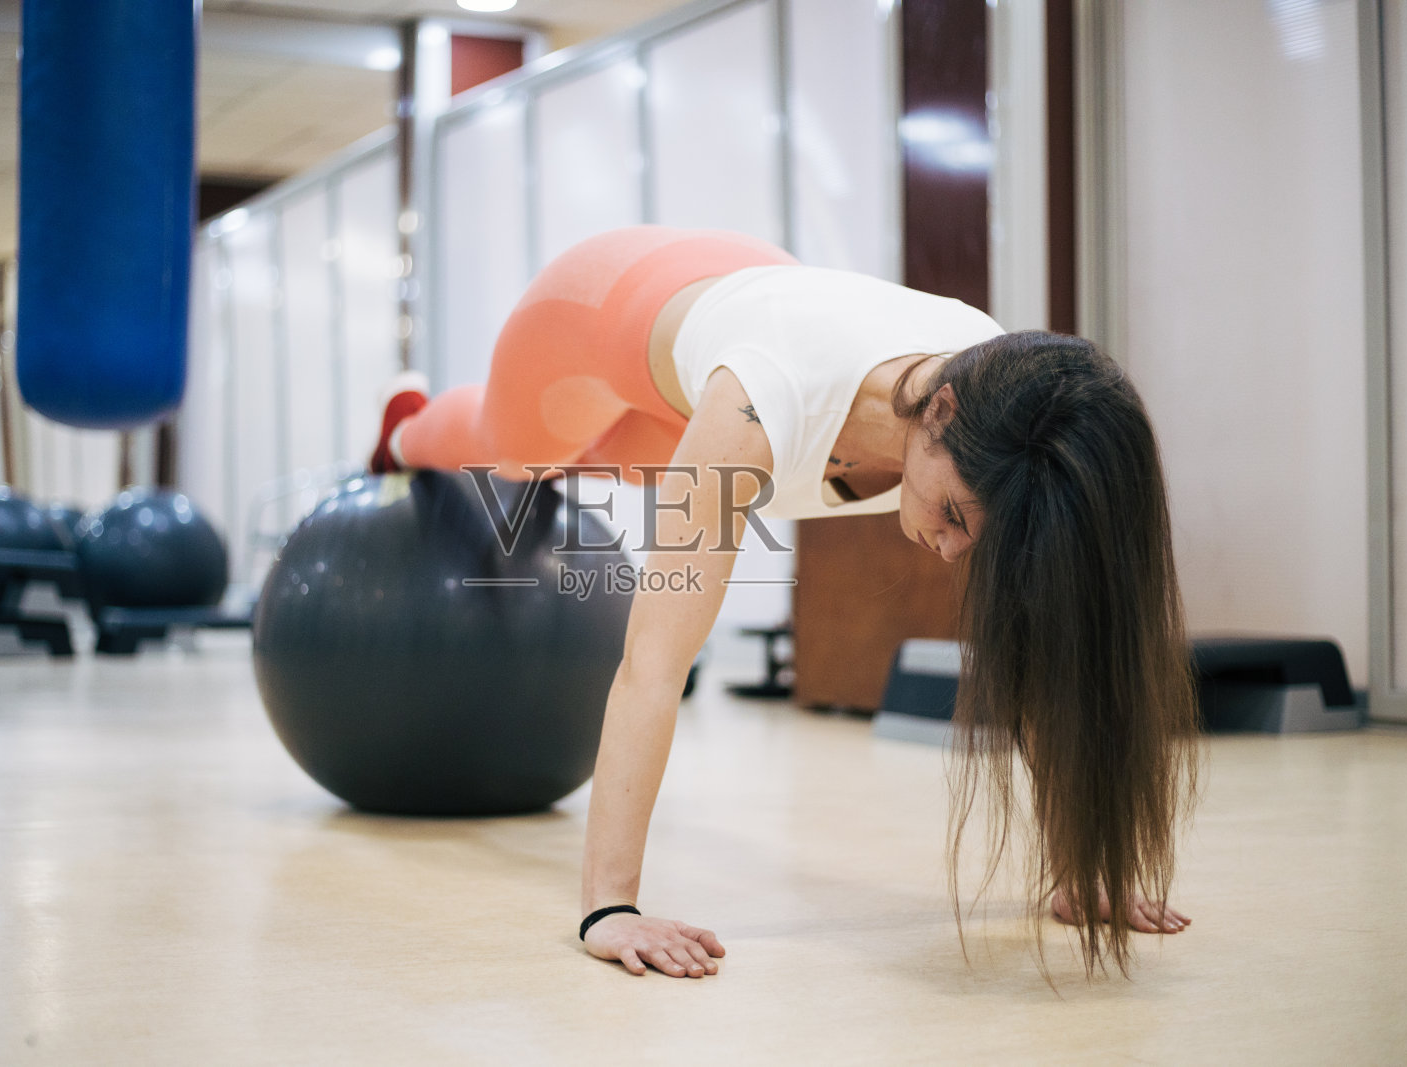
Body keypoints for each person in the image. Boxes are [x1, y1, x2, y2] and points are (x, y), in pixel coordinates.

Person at [369, 225, 1198, 980]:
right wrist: (609, 907)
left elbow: (1052, 646)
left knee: (622, 459)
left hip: (751, 301)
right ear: (938, 412)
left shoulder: (1006, 397)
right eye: (951, 515)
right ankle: (403, 428)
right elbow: (653, 665)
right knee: (518, 456)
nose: (950, 548)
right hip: (599, 304)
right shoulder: (758, 408)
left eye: (968, 533)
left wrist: (1081, 868)